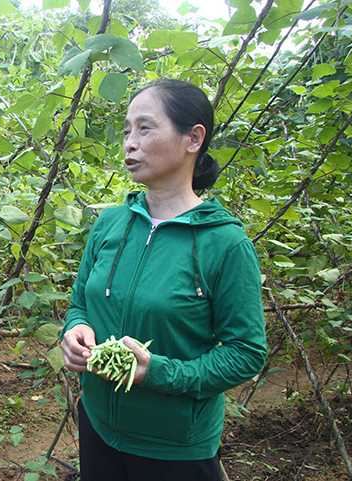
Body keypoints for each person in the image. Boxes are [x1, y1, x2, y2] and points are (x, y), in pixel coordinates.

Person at [61, 78, 266, 480]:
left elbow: (246, 352)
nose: (129, 143)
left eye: (145, 128)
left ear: (193, 139)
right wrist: (76, 329)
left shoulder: (224, 243)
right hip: (98, 425)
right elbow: (81, 304)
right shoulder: (109, 224)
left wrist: (156, 371)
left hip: (175, 447)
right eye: (126, 130)